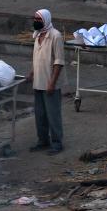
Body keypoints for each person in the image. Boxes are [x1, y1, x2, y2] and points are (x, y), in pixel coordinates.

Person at [27, 9, 65, 156]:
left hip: (50, 82)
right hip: (38, 81)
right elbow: (37, 59)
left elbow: (59, 61)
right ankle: (43, 141)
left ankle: (57, 143)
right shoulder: (37, 36)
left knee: (53, 114)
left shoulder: (55, 36)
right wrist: (31, 73)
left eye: (39, 19)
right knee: (40, 114)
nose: (36, 21)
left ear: (46, 20)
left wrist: (52, 83)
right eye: (35, 18)